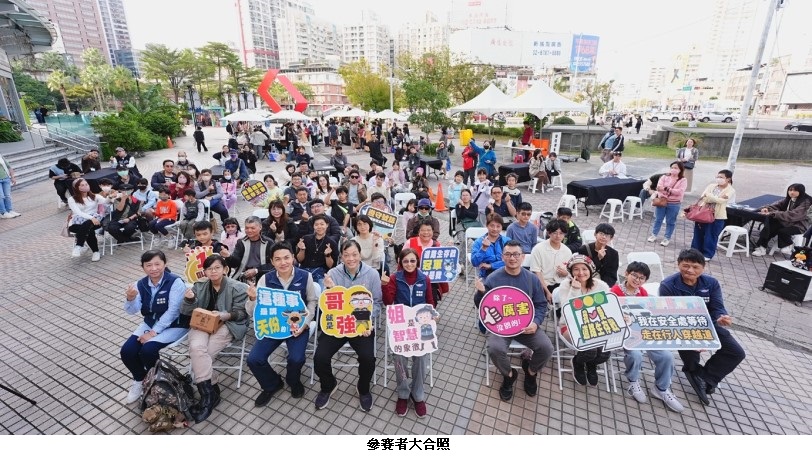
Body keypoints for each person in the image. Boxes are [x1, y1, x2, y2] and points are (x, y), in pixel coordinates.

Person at [660, 249, 746, 406]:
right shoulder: (668, 285)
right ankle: (693, 371)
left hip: (708, 325)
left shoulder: (711, 283)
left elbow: (717, 307)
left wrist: (721, 317)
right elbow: (668, 316)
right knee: (692, 355)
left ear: (703, 268)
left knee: (736, 352)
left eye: (695, 267)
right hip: (681, 328)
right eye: (685, 266)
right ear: (678, 264)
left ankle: (706, 377)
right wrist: (694, 339)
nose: (690, 270)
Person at [475, 240, 554, 400]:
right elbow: (480, 305)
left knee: (547, 348)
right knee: (494, 348)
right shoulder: (493, 278)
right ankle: (509, 375)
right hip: (501, 327)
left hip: (526, 326)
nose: (512, 258)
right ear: (502, 257)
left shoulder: (532, 279)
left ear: (523, 257)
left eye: (516, 254)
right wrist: (480, 293)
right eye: (508, 254)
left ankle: (531, 372)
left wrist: (536, 322)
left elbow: (540, 304)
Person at [247, 242, 319, 407]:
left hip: (297, 326)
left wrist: (305, 324)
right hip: (274, 326)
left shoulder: (305, 276)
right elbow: (254, 311)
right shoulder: (265, 279)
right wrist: (252, 299)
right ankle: (272, 384)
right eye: (278, 259)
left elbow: (312, 303)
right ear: (272, 262)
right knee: (254, 359)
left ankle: (293, 381)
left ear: (293, 258)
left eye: (287, 257)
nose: (283, 262)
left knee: (296, 358)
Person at [181, 254, 250, 422]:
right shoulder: (200, 286)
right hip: (203, 323)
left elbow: (243, 314)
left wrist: (225, 315)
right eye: (209, 269)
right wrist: (189, 300)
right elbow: (186, 312)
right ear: (204, 271)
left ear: (225, 269)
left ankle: (208, 395)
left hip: (228, 324)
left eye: (217, 267)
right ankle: (209, 395)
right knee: (197, 349)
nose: (213, 271)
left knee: (207, 352)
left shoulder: (238, 287)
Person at [314, 240, 382, 412]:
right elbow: (325, 304)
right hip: (338, 324)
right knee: (320, 358)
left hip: (360, 325)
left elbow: (378, 303)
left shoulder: (372, 274)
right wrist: (329, 289)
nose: (351, 259)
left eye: (354, 254)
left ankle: (363, 387)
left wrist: (367, 320)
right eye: (346, 255)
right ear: (341, 257)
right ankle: (328, 385)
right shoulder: (333, 273)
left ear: (360, 255)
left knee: (368, 358)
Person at [611, 262, 684, 412]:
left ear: (645, 280)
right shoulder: (614, 291)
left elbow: (648, 314)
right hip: (623, 333)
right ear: (626, 273)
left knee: (667, 356)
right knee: (636, 354)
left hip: (642, 332)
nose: (637, 280)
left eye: (641, 278)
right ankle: (633, 381)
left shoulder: (643, 293)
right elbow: (609, 315)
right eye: (634, 276)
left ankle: (661, 388)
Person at [120, 250, 190, 404]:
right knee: (127, 351)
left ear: (165, 264)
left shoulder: (175, 282)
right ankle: (141, 379)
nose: (153, 268)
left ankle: (158, 384)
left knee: (148, 350)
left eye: (157, 264)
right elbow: (132, 311)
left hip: (176, 325)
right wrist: (130, 299)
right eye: (148, 265)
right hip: (151, 322)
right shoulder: (141, 284)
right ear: (143, 267)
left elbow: (173, 312)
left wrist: (152, 333)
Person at [382, 248, 436, 417]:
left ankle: (418, 394)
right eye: (405, 261)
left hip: (420, 326)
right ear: (400, 262)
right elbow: (388, 303)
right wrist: (384, 286)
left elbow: (430, 303)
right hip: (400, 326)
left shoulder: (424, 279)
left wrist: (434, 315)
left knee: (421, 357)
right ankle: (403, 393)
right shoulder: (394, 278)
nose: (409, 264)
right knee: (399, 357)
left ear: (417, 262)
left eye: (412, 261)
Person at [557, 254, 611, 386]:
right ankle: (578, 363)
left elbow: (610, 307)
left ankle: (591, 363)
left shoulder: (602, 286)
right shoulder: (565, 285)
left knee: (604, 352)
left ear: (591, 270)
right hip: (570, 325)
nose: (581, 273)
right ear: (571, 271)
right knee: (590, 349)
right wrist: (575, 290)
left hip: (596, 325)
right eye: (576, 269)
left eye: (584, 269)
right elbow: (566, 311)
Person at [752, 183, 812, 256]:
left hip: (799, 225)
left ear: (801, 191)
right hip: (786, 222)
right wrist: (767, 209)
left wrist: (774, 213)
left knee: (777, 227)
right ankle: (762, 247)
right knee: (770, 225)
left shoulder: (806, 203)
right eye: (790, 190)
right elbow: (776, 206)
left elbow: (793, 215)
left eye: (795, 190)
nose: (792, 192)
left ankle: (788, 244)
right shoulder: (789, 199)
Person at [691, 170, 736, 261]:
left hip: (717, 216)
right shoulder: (711, 186)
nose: (719, 179)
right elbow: (704, 196)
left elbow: (721, 201)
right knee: (698, 233)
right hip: (703, 213)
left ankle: (707, 254)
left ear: (728, 179)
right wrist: (714, 198)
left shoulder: (730, 190)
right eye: (718, 177)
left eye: (721, 177)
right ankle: (694, 252)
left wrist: (710, 196)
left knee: (711, 235)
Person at [529, 219, 572, 302]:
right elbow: (537, 272)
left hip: (561, 284)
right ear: (549, 233)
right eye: (555, 233)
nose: (558, 236)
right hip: (544, 284)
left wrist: (566, 273)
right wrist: (547, 292)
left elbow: (570, 272)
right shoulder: (538, 249)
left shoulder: (567, 251)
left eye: (561, 233)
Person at [648, 162, 687, 247]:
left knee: (670, 221)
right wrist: (669, 190)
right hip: (661, 201)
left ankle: (667, 238)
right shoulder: (664, 177)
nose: (673, 169)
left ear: (680, 169)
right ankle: (654, 234)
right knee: (658, 219)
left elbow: (679, 192)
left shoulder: (683, 180)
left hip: (674, 203)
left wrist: (666, 188)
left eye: (676, 168)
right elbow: (659, 187)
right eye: (672, 167)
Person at [224, 216, 273, 282]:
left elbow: (273, 264)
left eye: (253, 228)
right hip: (243, 274)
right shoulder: (241, 242)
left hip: (262, 274)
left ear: (260, 227)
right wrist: (228, 256)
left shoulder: (268, 243)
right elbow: (235, 264)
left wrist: (256, 270)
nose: (249, 231)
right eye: (247, 228)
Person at [67, 178, 105, 261]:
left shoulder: (95, 196)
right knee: (88, 228)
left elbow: (106, 202)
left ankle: (78, 246)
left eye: (86, 184)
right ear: (77, 188)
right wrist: (91, 218)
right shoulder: (72, 199)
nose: (85, 186)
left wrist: (110, 196)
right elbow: (78, 212)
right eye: (82, 185)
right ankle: (96, 251)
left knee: (88, 225)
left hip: (95, 220)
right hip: (79, 220)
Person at [296, 214, 338, 288]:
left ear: (327, 225)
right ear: (313, 226)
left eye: (322, 224)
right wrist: (302, 250)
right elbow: (299, 260)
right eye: (316, 224)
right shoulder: (306, 239)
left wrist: (328, 255)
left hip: (321, 273)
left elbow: (331, 266)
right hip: (304, 270)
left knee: (321, 289)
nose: (319, 227)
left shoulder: (332, 242)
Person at [471, 213, 511, 280]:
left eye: (498, 226)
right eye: (492, 226)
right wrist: (483, 249)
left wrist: (491, 266)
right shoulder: (479, 242)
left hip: (505, 274)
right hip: (486, 276)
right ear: (487, 225)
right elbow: (474, 263)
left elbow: (510, 261)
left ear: (502, 227)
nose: (495, 229)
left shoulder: (507, 241)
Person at [0, 153, 19, 218]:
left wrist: (12, 177)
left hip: (6, 178)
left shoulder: (0, 156)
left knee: (7, 195)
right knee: (1, 196)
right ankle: (3, 212)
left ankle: (9, 210)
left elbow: (9, 166)